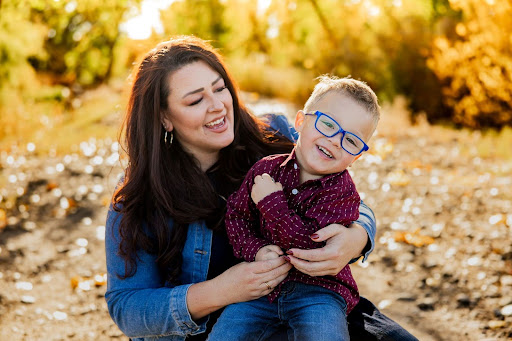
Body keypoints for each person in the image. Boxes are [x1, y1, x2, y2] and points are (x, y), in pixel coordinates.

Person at [105, 35, 417, 341]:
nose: (217, 106)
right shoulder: (139, 194)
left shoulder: (273, 135)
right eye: (196, 100)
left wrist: (357, 237)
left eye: (219, 88)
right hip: (228, 322)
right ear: (164, 117)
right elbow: (127, 308)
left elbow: (342, 193)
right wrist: (222, 290)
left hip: (314, 298)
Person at [208, 76, 380, 341]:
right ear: (300, 122)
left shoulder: (343, 194)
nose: (335, 140)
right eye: (327, 124)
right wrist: (255, 250)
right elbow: (237, 216)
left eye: (352, 141)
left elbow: (308, 249)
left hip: (320, 293)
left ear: (356, 156)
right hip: (261, 288)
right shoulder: (265, 169)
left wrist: (271, 204)